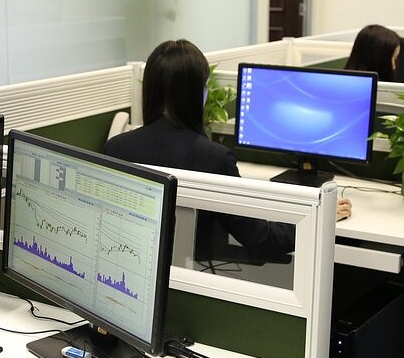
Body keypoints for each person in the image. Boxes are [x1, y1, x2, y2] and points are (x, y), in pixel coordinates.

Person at [103, 40, 351, 263]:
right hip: (190, 281)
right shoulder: (214, 158)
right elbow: (261, 240)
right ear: (198, 94)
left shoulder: (115, 148)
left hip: (128, 271)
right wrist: (321, 218)